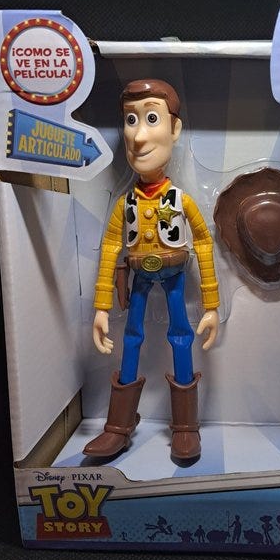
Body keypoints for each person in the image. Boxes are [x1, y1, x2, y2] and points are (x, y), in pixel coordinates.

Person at [83, 79, 219, 462]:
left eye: (152, 118)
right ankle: (118, 426)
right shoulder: (124, 204)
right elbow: (111, 247)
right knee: (132, 337)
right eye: (130, 120)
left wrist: (211, 304)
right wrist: (101, 307)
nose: (139, 136)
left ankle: (186, 426)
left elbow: (203, 243)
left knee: (181, 335)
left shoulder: (180, 200)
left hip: (174, 275)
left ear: (175, 129)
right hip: (139, 276)